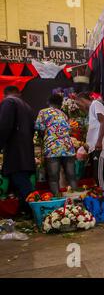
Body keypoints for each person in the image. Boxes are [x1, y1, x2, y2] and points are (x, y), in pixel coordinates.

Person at [0, 86, 35, 214]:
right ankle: (24, 210)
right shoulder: (28, 107)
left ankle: (33, 209)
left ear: (5, 94)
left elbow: (4, 126)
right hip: (26, 149)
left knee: (21, 181)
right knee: (20, 181)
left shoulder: (8, 102)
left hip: (16, 150)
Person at [35, 94, 77, 195]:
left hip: (52, 148)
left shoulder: (43, 112)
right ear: (61, 104)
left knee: (54, 178)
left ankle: (57, 202)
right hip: (68, 148)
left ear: (48, 102)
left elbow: (39, 129)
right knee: (71, 176)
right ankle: (76, 200)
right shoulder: (64, 114)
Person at [75, 92, 104, 190]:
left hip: (99, 146)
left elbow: (103, 122)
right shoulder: (92, 108)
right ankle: (102, 197)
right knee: (96, 175)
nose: (79, 107)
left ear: (83, 100)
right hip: (95, 147)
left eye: (79, 104)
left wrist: (99, 141)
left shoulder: (96, 104)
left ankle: (103, 198)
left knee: (99, 176)